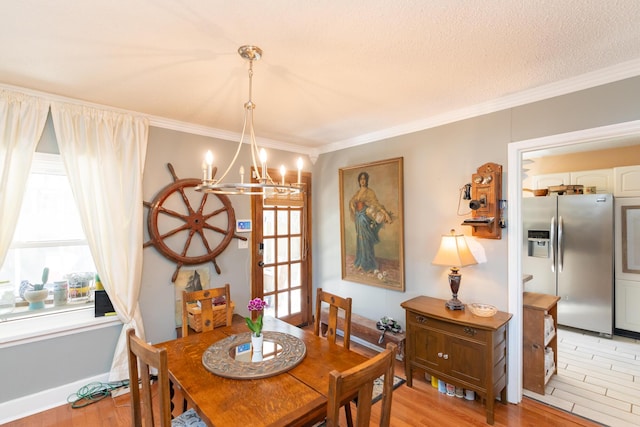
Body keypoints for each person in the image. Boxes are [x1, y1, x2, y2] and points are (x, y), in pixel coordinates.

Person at [349, 171, 392, 272]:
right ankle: (360, 261)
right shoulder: (358, 192)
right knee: (360, 239)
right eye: (361, 179)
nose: (362, 181)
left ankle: (367, 263)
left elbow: (376, 204)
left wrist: (385, 213)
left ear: (366, 180)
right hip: (358, 217)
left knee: (366, 240)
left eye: (364, 179)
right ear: (359, 181)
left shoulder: (370, 192)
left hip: (365, 217)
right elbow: (352, 201)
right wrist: (352, 205)